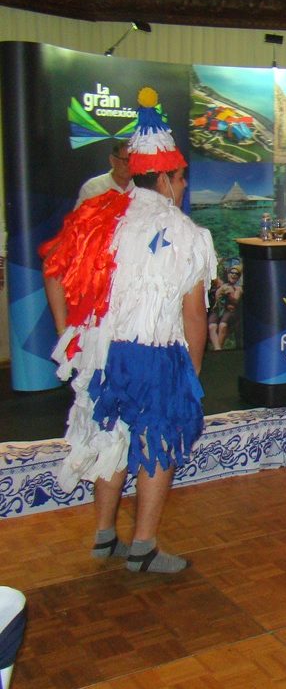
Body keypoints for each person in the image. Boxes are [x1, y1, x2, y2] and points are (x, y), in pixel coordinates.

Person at [40, 87, 216, 574]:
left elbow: (53, 268)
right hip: (155, 354)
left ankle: (104, 535)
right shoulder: (187, 233)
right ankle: (143, 546)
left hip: (99, 353)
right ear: (163, 178)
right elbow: (194, 315)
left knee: (109, 433)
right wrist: (193, 370)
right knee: (158, 440)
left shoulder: (95, 216)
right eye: (180, 177)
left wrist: (67, 333)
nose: (183, 185)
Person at [75, 139, 134, 208]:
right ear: (112, 160)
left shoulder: (142, 188)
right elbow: (80, 214)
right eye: (126, 160)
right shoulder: (92, 188)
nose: (130, 165)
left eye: (134, 161)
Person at [208, 263, 243, 350]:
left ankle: (218, 350)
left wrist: (229, 295)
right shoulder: (222, 286)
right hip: (218, 310)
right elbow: (217, 297)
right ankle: (217, 348)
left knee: (222, 326)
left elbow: (236, 300)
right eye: (232, 273)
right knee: (212, 326)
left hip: (230, 312)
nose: (233, 275)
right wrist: (221, 292)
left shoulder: (238, 288)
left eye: (236, 274)